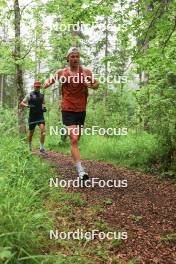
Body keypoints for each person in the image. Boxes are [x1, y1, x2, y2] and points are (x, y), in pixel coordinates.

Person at [44, 47, 99, 181]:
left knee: (76, 139)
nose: (75, 59)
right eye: (72, 56)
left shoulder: (86, 72)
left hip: (81, 110)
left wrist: (91, 85)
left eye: (77, 56)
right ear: (68, 58)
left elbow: (96, 84)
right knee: (74, 138)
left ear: (79, 58)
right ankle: (81, 171)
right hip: (67, 109)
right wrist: (46, 83)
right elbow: (49, 81)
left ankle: (72, 149)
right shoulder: (61, 72)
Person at [20, 80, 47, 154]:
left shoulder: (42, 95)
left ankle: (41, 148)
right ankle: (29, 146)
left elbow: (43, 103)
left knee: (43, 131)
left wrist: (44, 107)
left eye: (38, 86)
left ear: (40, 87)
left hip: (40, 115)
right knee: (31, 133)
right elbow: (21, 103)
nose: (37, 88)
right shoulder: (29, 95)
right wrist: (27, 105)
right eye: (36, 86)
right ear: (34, 86)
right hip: (32, 116)